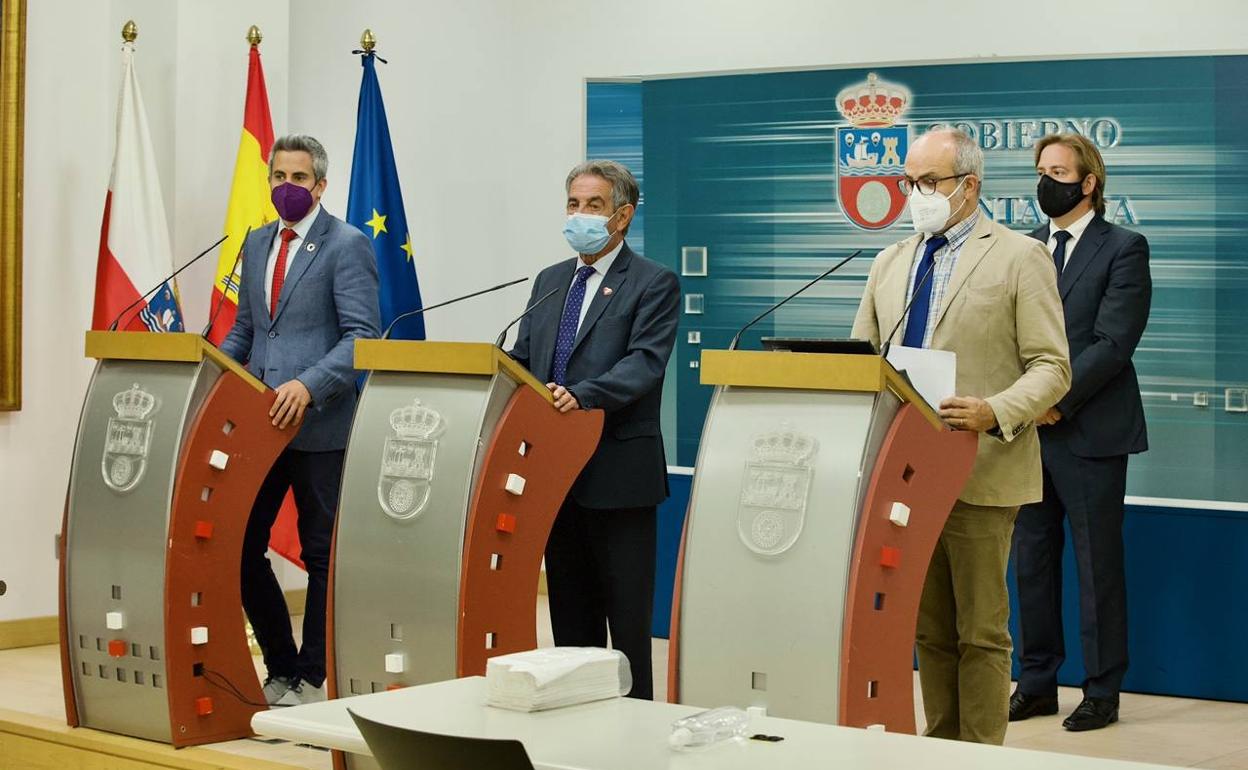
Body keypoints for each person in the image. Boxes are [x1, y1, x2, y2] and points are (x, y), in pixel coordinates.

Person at [851, 128, 1071, 744]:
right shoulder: (889, 261)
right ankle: (939, 747)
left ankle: (979, 755)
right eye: (908, 183)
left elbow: (1053, 367)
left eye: (928, 183)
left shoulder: (1019, 256)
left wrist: (994, 410)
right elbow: (862, 360)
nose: (915, 195)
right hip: (902, 475)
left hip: (980, 466)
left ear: (968, 186)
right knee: (927, 630)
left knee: (980, 630)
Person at [508, 160, 680, 700]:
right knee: (570, 622)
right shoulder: (550, 281)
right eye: (573, 205)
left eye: (594, 206)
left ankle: (635, 737)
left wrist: (582, 394)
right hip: (553, 477)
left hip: (618, 473)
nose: (580, 216)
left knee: (626, 627)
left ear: (623, 216)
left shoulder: (654, 282)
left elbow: (644, 365)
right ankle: (574, 724)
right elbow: (525, 359)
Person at [220, 134, 381, 707]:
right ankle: (280, 665)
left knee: (321, 555)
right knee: (238, 546)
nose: (286, 188)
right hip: (258, 428)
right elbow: (248, 328)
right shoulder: (258, 240)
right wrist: (213, 366)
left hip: (320, 426)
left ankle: (314, 678)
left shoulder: (347, 244)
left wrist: (309, 386)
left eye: (298, 178)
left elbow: (363, 336)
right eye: (278, 177)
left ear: (321, 185)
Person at [1009, 133, 1151, 732]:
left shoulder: (1124, 247)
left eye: (1059, 171)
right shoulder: (1025, 249)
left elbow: (1113, 342)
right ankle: (1037, 682)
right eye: (1041, 170)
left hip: (1089, 429)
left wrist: (1052, 401)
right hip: (1025, 434)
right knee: (1031, 562)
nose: (1047, 182)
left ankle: (1101, 690)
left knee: (1098, 567)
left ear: (1088, 182)